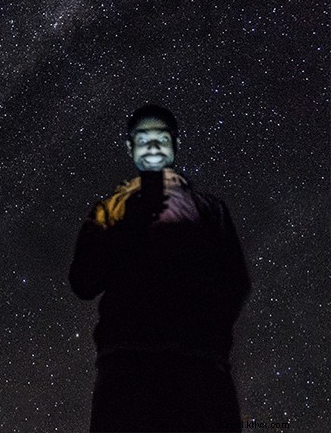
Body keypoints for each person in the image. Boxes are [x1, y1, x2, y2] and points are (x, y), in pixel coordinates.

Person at [69, 104, 251, 432]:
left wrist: (210, 332)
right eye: (143, 139)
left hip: (199, 363)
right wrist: (128, 229)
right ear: (129, 146)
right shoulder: (108, 211)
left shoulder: (209, 209)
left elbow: (235, 280)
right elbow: (83, 281)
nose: (153, 147)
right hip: (126, 366)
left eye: (162, 138)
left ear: (176, 143)